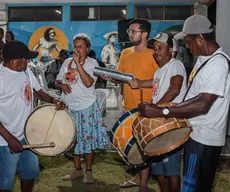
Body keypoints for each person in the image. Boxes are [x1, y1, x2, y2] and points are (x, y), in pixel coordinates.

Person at [139, 15, 230, 192]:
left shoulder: (218, 64)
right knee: (192, 185)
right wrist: (165, 108)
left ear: (200, 38)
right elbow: (194, 97)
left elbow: (203, 103)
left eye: (188, 41)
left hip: (205, 139)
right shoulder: (205, 59)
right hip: (196, 134)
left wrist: (162, 111)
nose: (186, 46)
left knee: (194, 188)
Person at [0, 40, 65, 192]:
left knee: (29, 173)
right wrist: (10, 139)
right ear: (14, 60)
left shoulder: (25, 70)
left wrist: (52, 100)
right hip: (6, 140)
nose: (28, 61)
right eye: (25, 58)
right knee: (5, 183)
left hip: (28, 135)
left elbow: (37, 90)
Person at [102, 18, 158, 192]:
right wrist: (111, 77)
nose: (130, 34)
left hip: (146, 109)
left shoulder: (154, 54)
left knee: (144, 146)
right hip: (127, 108)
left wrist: (142, 83)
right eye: (130, 31)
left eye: (134, 31)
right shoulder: (126, 52)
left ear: (144, 34)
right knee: (134, 146)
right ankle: (138, 177)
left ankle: (143, 185)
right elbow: (121, 77)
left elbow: (160, 80)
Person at [129, 32, 187, 192]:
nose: (156, 52)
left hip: (171, 125)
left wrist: (155, 108)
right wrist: (141, 84)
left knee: (171, 171)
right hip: (158, 125)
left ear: (172, 50)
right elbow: (158, 84)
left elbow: (174, 89)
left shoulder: (175, 65)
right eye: (154, 49)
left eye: (160, 48)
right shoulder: (159, 71)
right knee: (159, 170)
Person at [56, 33, 108, 184]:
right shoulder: (66, 62)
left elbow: (88, 82)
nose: (77, 49)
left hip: (87, 107)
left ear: (87, 48)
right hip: (70, 106)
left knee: (88, 140)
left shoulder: (93, 63)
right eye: (75, 46)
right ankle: (77, 169)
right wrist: (62, 85)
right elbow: (59, 80)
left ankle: (89, 171)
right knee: (72, 140)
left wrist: (79, 64)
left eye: (81, 46)